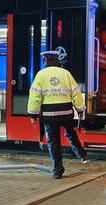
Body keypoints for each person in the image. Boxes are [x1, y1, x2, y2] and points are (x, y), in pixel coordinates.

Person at [27, 51, 88, 179]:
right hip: (66, 113)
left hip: (49, 115)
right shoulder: (66, 74)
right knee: (70, 133)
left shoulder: (40, 75)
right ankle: (82, 155)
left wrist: (33, 115)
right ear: (57, 60)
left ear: (45, 60)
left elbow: (35, 96)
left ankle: (58, 171)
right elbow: (76, 93)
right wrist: (81, 110)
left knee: (53, 142)